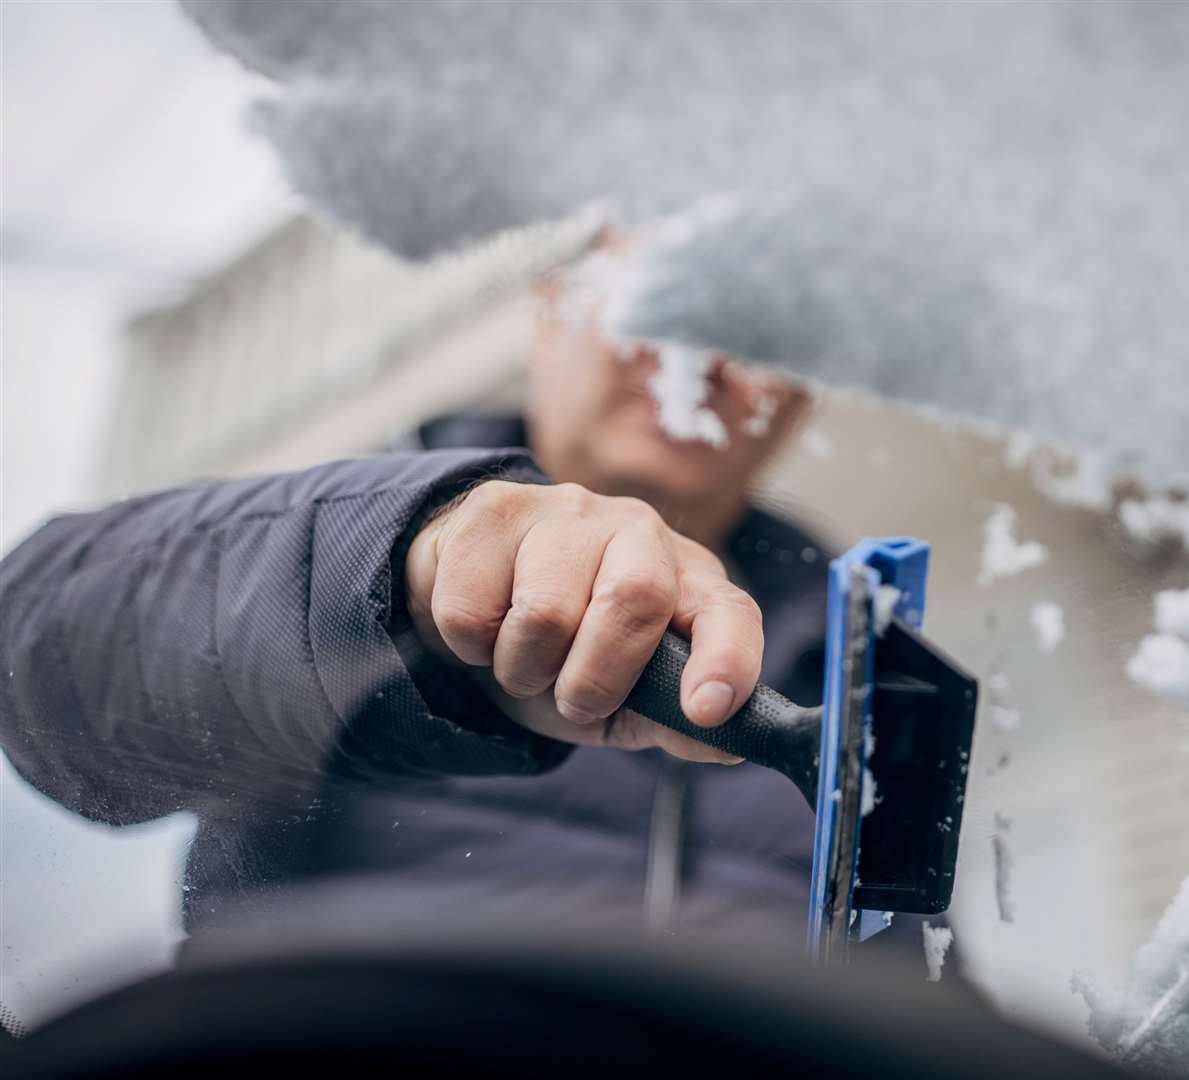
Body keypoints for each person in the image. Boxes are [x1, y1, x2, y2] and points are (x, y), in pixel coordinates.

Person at [0, 241, 876, 957]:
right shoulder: (324, 537)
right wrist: (406, 567)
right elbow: (40, 655)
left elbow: (908, 973)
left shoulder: (853, 672)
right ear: (549, 314)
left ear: (803, 394)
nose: (697, 358)